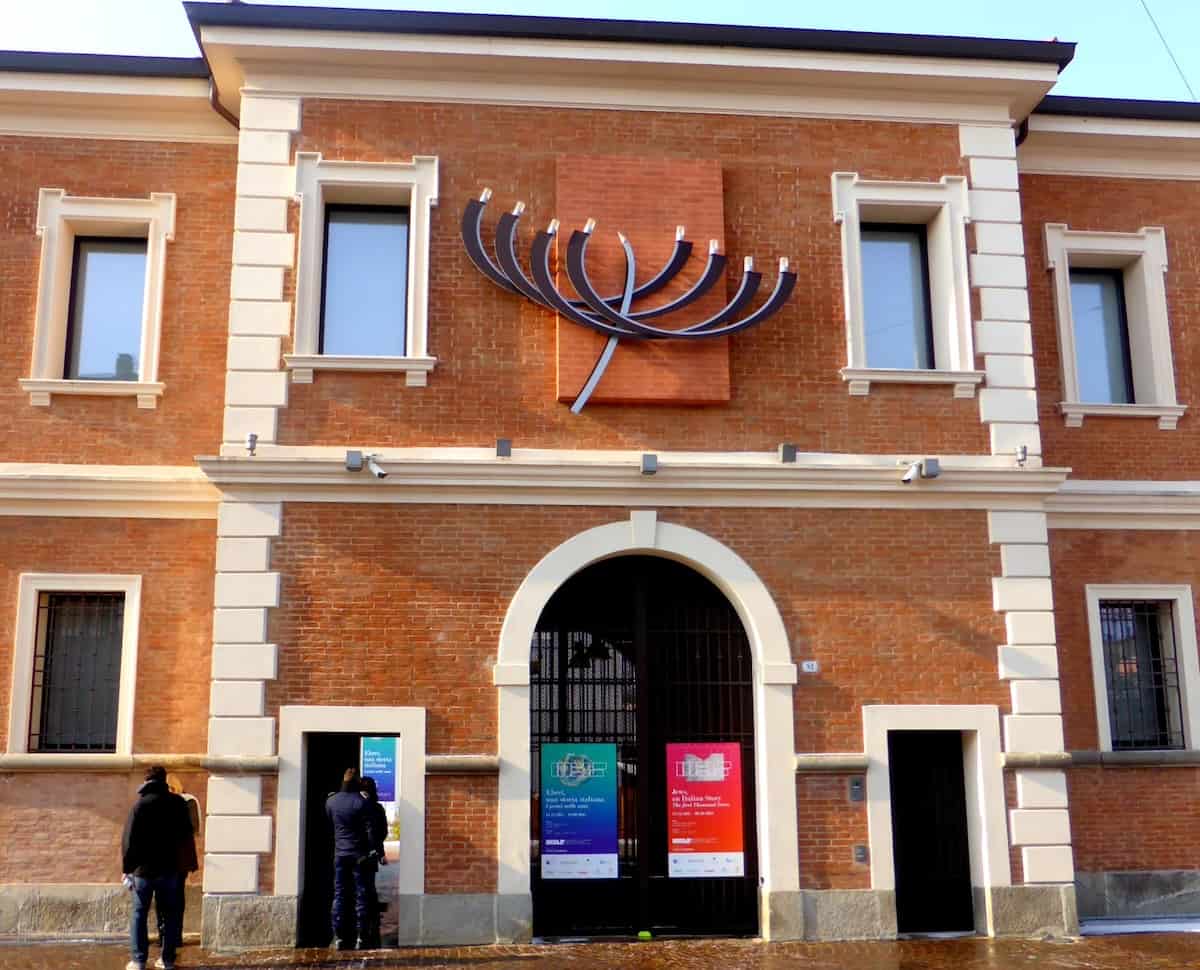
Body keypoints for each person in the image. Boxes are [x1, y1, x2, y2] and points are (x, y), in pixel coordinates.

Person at [121, 765, 197, 970]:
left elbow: (128, 841)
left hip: (143, 872)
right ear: (165, 781)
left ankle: (138, 961)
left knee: (139, 914)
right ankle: (167, 960)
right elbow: (187, 835)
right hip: (169, 869)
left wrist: (127, 869)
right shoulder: (179, 804)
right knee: (170, 914)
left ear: (146, 781)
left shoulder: (140, 806)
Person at [325, 767, 373, 951]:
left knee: (339, 895)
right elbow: (370, 830)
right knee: (361, 895)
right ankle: (361, 937)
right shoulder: (362, 801)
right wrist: (370, 850)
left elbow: (330, 824)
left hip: (340, 853)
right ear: (356, 783)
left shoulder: (331, 802)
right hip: (358, 854)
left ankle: (338, 937)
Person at [156, 774, 201, 948]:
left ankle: (165, 935)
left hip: (167, 857)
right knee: (176, 896)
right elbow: (195, 830)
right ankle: (174, 935)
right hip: (180, 857)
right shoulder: (190, 801)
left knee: (164, 897)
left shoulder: (183, 801)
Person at [358, 776, 389, 949]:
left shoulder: (354, 805)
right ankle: (371, 924)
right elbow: (382, 832)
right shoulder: (376, 808)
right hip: (369, 855)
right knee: (369, 889)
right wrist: (380, 852)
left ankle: (360, 927)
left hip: (352, 853)